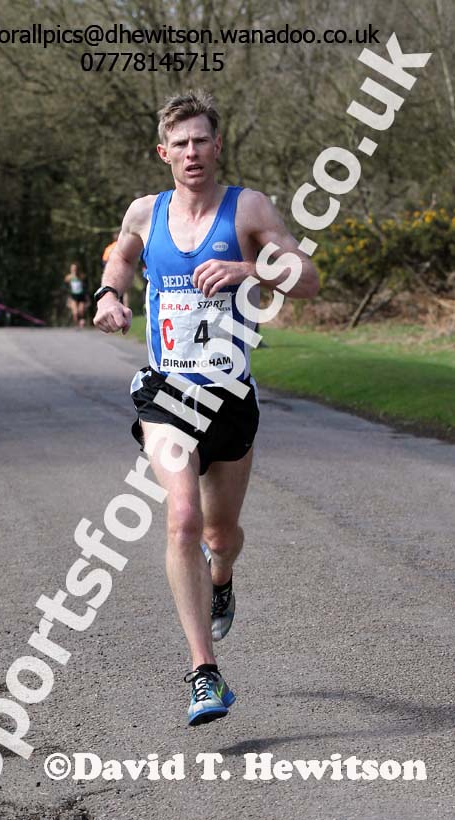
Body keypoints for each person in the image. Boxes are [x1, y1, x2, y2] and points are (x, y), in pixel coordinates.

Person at [93, 91, 319, 726]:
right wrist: (111, 295)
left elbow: (307, 277)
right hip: (166, 392)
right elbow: (121, 254)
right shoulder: (145, 210)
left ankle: (221, 579)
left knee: (221, 535)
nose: (192, 152)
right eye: (180, 143)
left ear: (217, 147)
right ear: (164, 153)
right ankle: (204, 674)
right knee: (183, 519)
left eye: (202, 140)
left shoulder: (248, 207)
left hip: (230, 396)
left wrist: (248, 268)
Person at [64, 262, 88, 328]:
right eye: (73, 269)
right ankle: (77, 325)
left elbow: (85, 288)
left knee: (81, 311)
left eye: (75, 269)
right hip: (73, 296)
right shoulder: (68, 278)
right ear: (71, 269)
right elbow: (65, 289)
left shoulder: (81, 276)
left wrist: (87, 298)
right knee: (75, 313)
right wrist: (68, 299)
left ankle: (82, 321)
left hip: (81, 296)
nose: (74, 270)